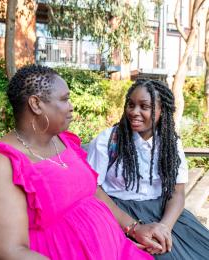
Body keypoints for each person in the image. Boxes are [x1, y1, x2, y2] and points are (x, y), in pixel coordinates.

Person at [0, 65, 156, 260]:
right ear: (36, 104)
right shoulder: (3, 162)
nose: (71, 106)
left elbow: (93, 191)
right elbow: (9, 251)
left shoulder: (63, 141)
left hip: (120, 250)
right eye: (64, 99)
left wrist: (134, 228)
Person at [87, 79, 209, 259]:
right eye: (131, 105)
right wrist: (133, 227)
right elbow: (92, 188)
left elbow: (177, 193)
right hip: (116, 213)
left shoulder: (170, 145)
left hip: (162, 213)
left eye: (144, 106)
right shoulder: (108, 140)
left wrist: (165, 229)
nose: (134, 112)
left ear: (161, 111)